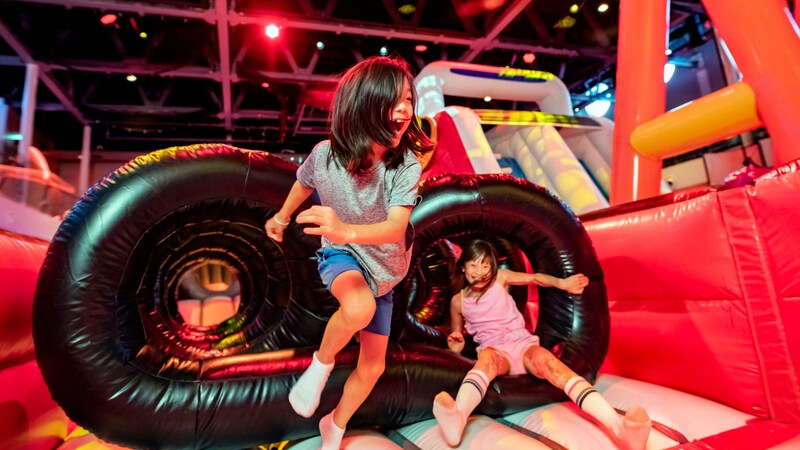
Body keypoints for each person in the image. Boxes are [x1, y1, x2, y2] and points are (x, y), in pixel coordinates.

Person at [265, 56, 433, 450]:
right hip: (343, 255)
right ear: (363, 105)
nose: (405, 110)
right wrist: (281, 217)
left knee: (373, 366)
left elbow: (395, 227)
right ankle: (319, 368)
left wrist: (344, 226)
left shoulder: (405, 163)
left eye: (409, 100)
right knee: (359, 308)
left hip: (386, 271)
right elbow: (302, 184)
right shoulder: (325, 154)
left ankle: (334, 426)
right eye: (395, 101)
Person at [433, 239, 652, 449]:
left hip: (523, 344)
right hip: (495, 351)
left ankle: (619, 427)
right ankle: (458, 418)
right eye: (473, 265)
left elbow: (535, 278)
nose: (480, 272)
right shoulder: (458, 302)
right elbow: (456, 345)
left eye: (485, 265)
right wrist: (455, 341)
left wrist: (562, 283)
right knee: (486, 361)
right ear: (463, 268)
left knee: (550, 363)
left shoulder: (500, 278)